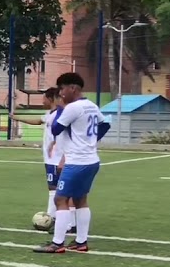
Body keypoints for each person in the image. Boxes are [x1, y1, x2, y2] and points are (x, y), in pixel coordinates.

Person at [36, 72, 108, 254]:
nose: (60, 93)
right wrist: (90, 141)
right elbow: (105, 124)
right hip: (91, 159)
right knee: (80, 199)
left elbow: (55, 128)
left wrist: (60, 108)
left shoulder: (72, 108)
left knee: (60, 199)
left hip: (76, 161)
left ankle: (57, 243)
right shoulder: (91, 105)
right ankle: (81, 242)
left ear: (73, 88)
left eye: (62, 89)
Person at [10, 87, 71, 227]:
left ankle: (51, 218)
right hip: (50, 158)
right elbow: (38, 121)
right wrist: (16, 117)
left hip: (56, 158)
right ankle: (56, 218)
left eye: (44, 97)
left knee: (55, 189)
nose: (42, 100)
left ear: (50, 98)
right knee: (55, 188)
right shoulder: (51, 113)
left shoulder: (60, 115)